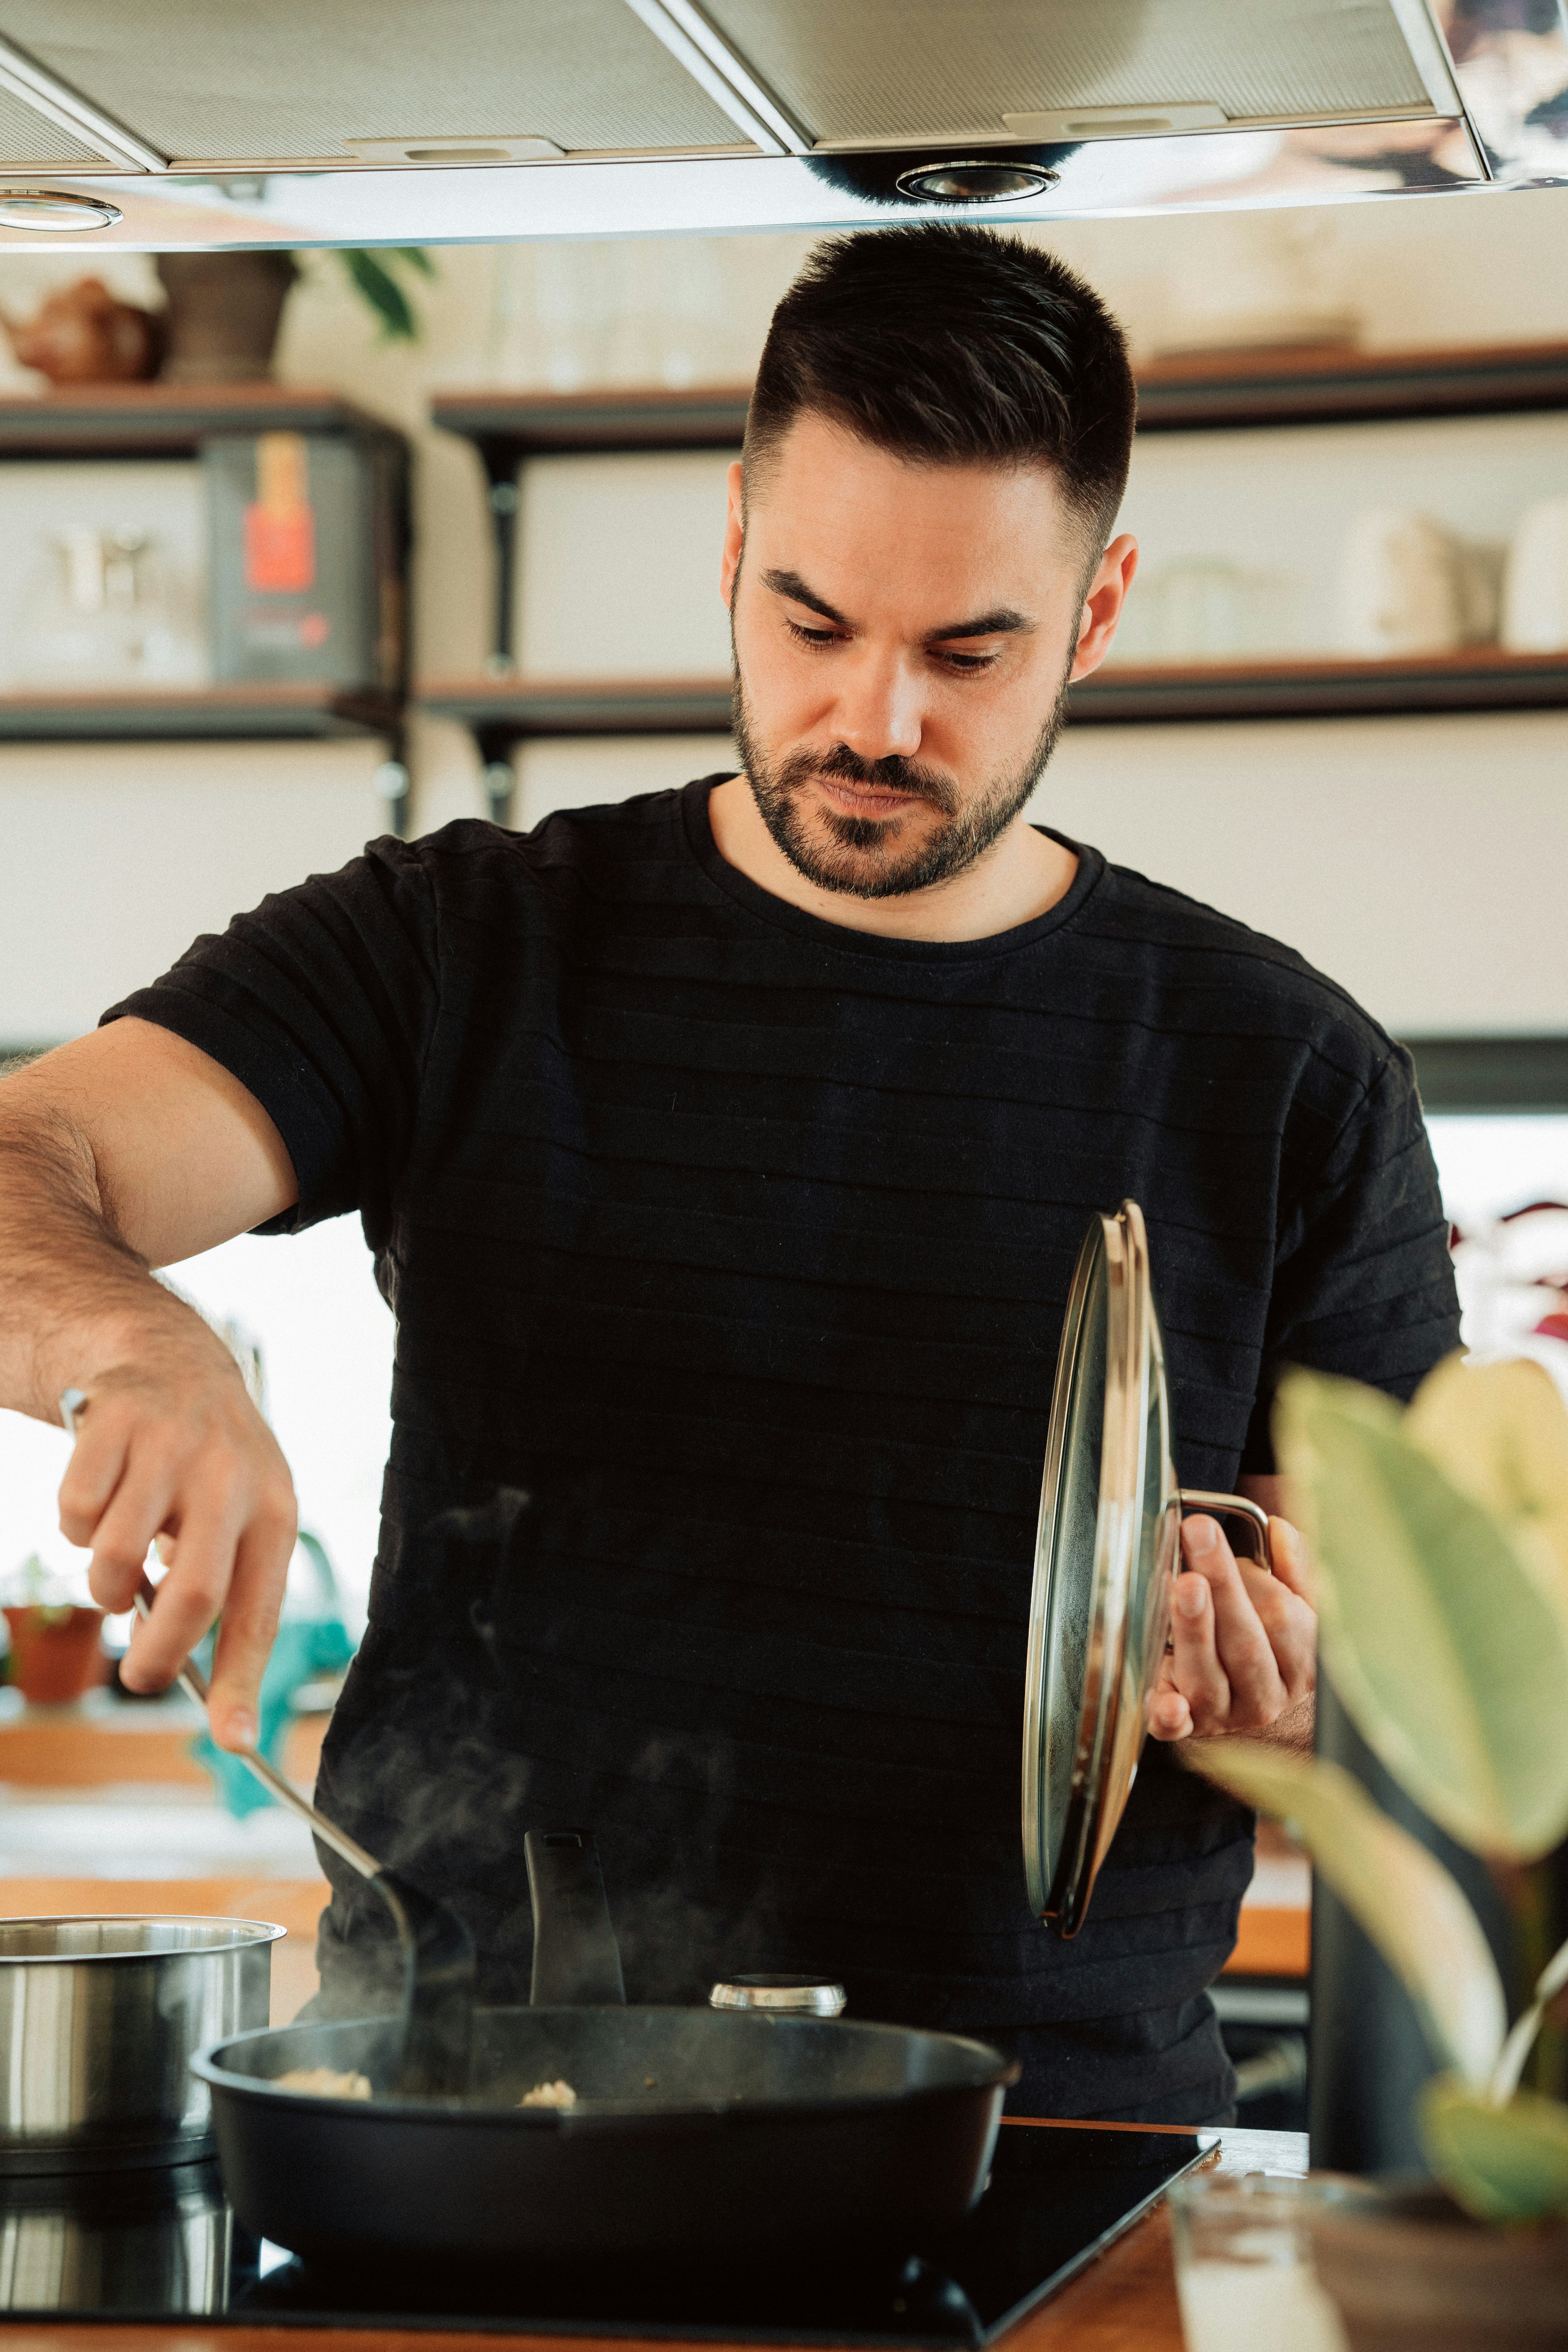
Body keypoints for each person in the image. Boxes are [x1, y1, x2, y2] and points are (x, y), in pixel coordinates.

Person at [0, 225, 1459, 2123]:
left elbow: (1420, 1697)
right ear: (731, 553)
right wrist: (141, 1342)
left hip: (1055, 2144)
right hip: (480, 2125)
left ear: (1094, 613)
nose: (873, 719)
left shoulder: (1288, 1074)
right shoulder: (456, 944)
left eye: (966, 650)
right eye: (811, 622)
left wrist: (1291, 1690)